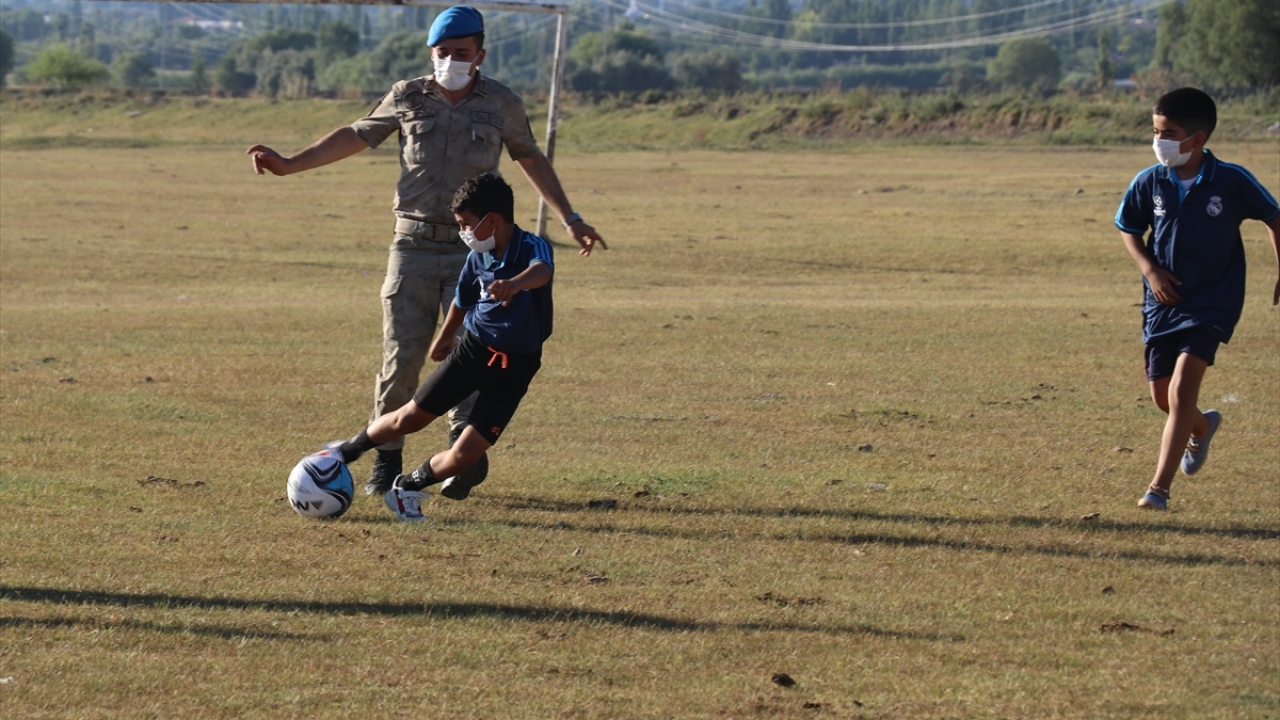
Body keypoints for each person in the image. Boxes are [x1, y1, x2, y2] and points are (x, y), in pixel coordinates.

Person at [246, 5, 604, 501]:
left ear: (480, 55)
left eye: (461, 52)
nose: (451, 60)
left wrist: (570, 217)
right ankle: (386, 459)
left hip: (476, 253)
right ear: (431, 52)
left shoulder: (501, 102)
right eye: (443, 51)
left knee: (473, 354)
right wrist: (289, 164)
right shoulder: (407, 95)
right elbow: (356, 134)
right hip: (412, 245)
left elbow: (529, 157)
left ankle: (462, 457)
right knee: (402, 357)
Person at [327, 173, 553, 522]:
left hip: (515, 369)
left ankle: (408, 486)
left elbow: (542, 271)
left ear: (492, 220)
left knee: (465, 456)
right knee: (411, 418)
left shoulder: (532, 246)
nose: (463, 232)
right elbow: (463, 300)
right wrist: (446, 336)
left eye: (466, 224)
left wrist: (515, 283)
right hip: (473, 352)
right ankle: (342, 453)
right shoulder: (477, 257)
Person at [1114, 87, 1280, 511]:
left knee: (1183, 388)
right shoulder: (1149, 181)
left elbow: (1275, 217)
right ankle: (1202, 428)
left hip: (1213, 301)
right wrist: (1150, 270)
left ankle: (1158, 489)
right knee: (1163, 397)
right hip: (1163, 302)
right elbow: (1128, 228)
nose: (1159, 141)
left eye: (1168, 133)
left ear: (1197, 139)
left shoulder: (1231, 180)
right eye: (1156, 131)